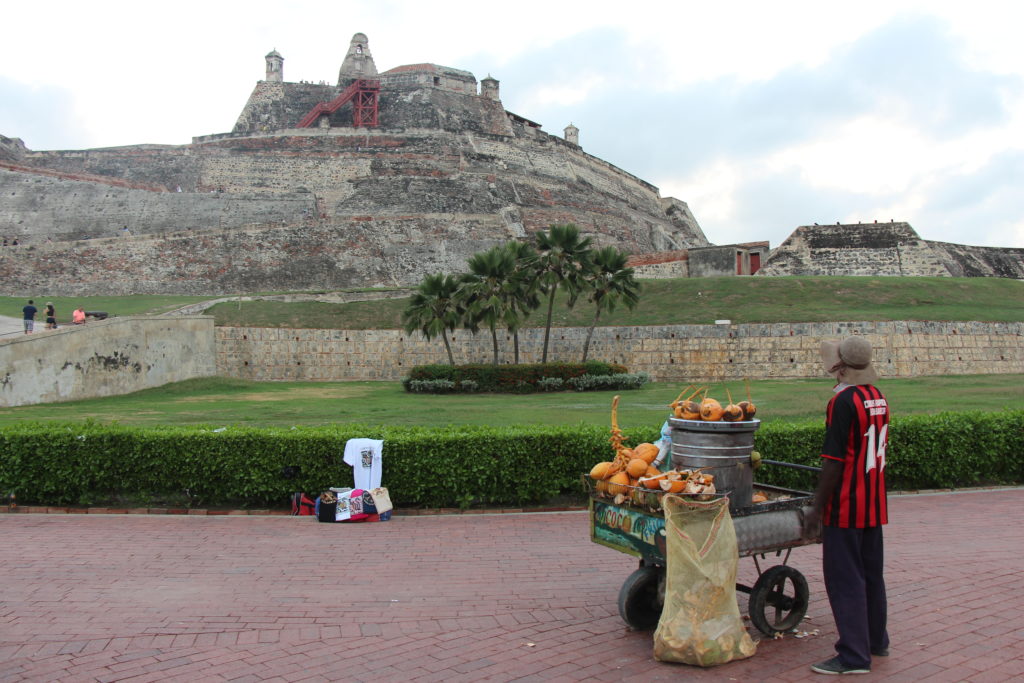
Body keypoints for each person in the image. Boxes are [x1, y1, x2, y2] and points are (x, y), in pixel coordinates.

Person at [803, 336, 890, 675]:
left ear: (838, 366)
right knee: (871, 575)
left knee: (844, 579)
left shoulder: (842, 402)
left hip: (846, 505)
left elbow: (834, 461)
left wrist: (816, 508)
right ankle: (875, 640)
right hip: (872, 501)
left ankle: (854, 656)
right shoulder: (877, 397)